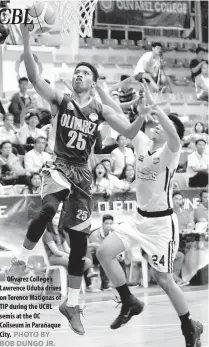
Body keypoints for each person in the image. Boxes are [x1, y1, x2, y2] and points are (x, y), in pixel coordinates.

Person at [6, 24, 156, 336]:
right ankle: (20, 261)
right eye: (76, 72)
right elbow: (34, 78)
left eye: (85, 73)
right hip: (59, 165)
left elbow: (128, 133)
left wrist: (141, 115)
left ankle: (71, 305)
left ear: (93, 82)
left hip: (83, 176)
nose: (79, 75)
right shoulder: (61, 100)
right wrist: (26, 38)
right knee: (47, 208)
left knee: (78, 247)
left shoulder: (99, 109)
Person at [96, 81, 203, 347]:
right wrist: (99, 90)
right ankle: (129, 301)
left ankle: (189, 328)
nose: (155, 127)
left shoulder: (170, 152)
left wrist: (156, 108)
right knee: (103, 252)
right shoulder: (142, 141)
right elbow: (118, 117)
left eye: (161, 126)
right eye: (154, 124)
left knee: (164, 280)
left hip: (161, 224)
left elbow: (176, 136)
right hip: (138, 218)